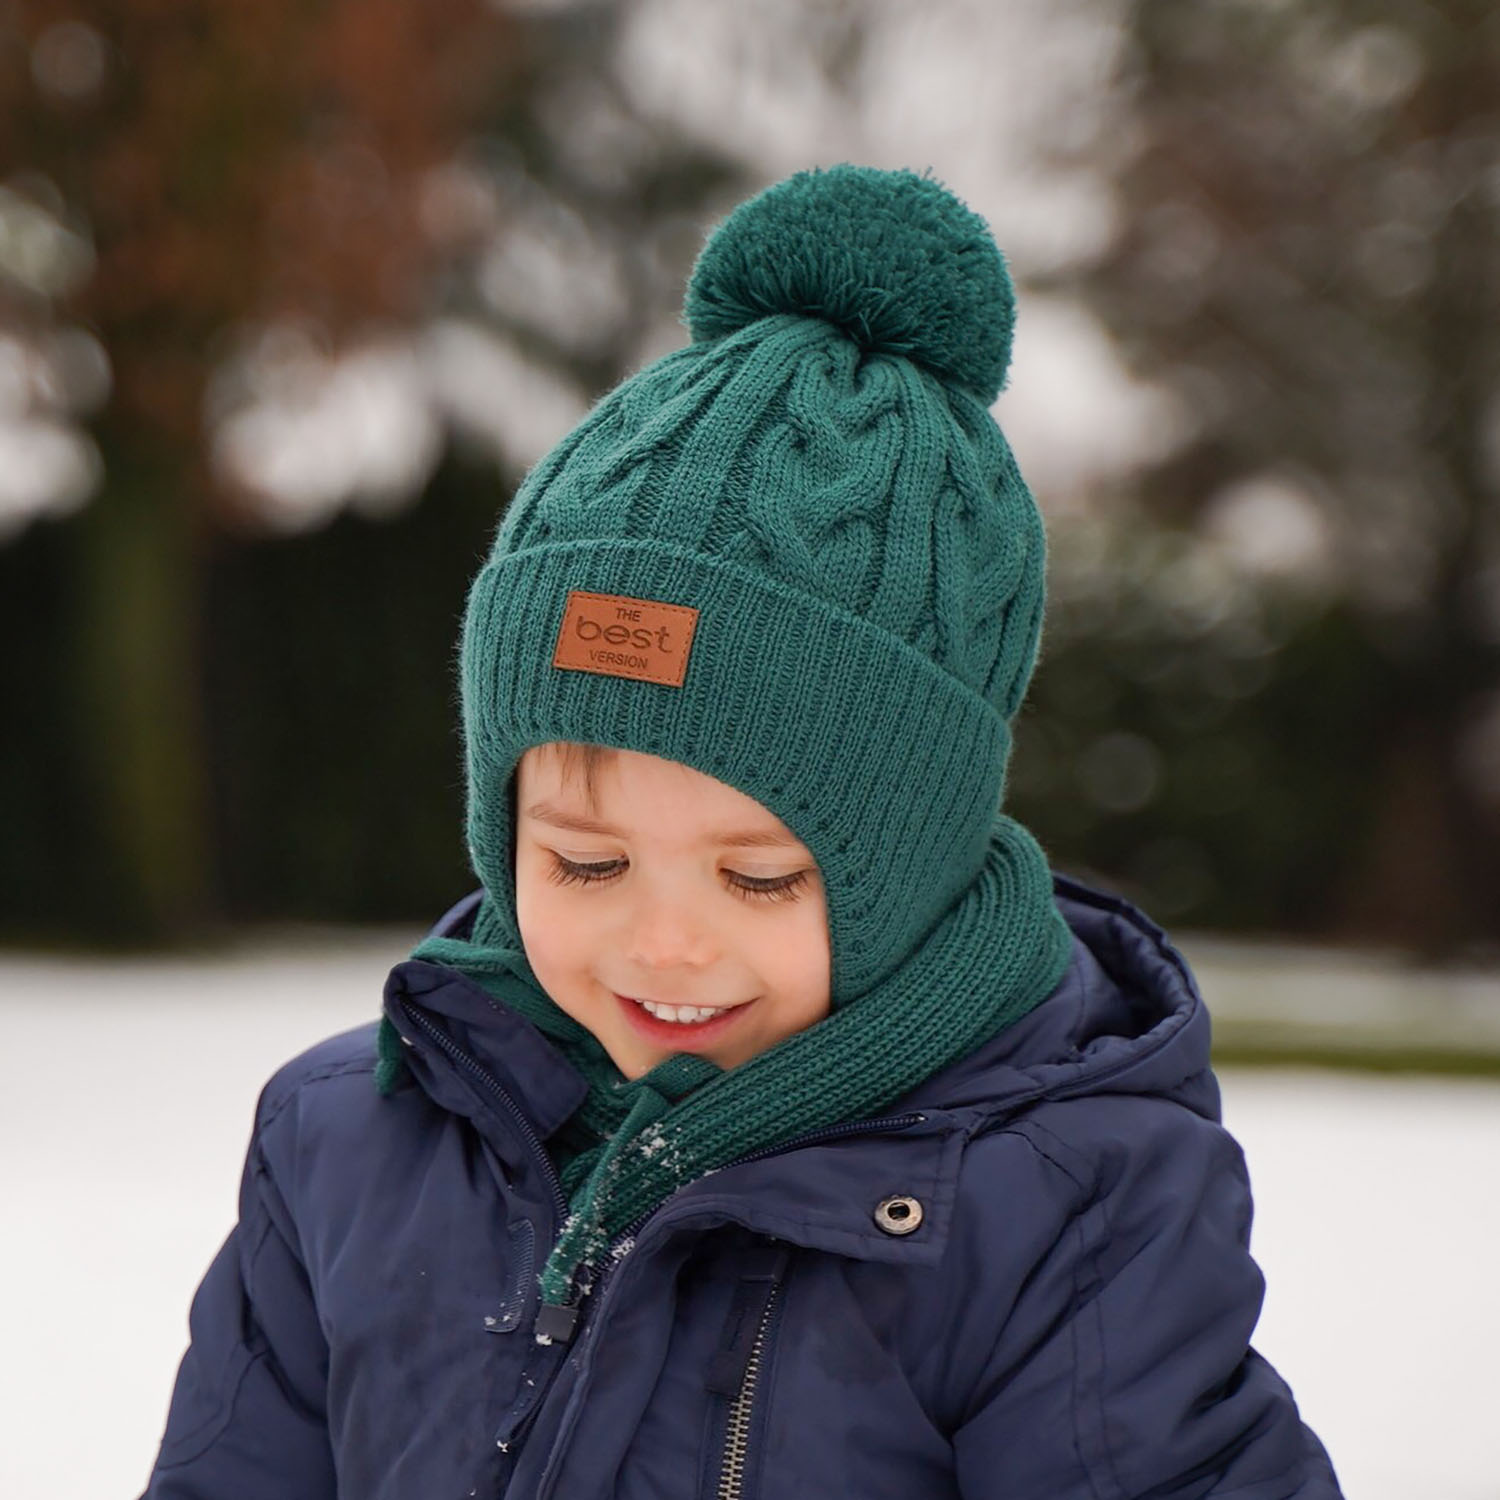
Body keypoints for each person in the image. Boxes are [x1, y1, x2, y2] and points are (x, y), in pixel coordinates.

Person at [140, 165, 1344, 1499]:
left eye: (761, 877)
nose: (663, 941)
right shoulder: (345, 1145)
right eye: (583, 861)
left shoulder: (1060, 1209)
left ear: (912, 864)